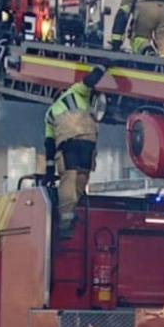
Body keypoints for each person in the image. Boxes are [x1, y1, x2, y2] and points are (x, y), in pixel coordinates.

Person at [45, 65, 106, 237]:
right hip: (88, 141)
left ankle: (66, 220)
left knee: (68, 178)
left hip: (68, 144)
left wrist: (49, 171)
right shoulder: (76, 92)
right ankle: (74, 212)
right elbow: (89, 81)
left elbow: (49, 144)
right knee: (81, 177)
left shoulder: (49, 113)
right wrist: (103, 67)